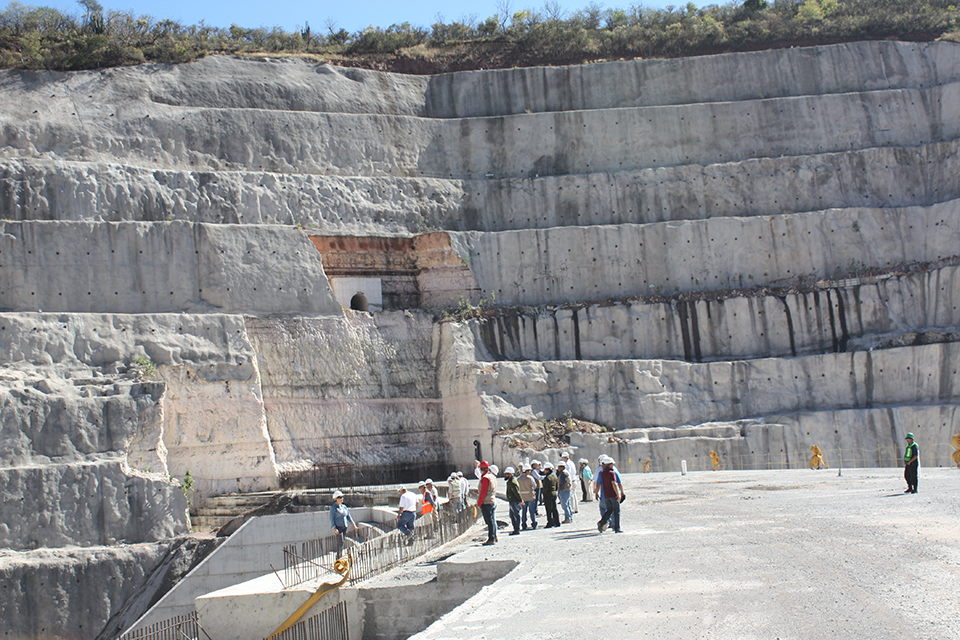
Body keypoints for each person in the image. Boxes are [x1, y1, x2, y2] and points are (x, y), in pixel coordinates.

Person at [595, 456, 624, 533]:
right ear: (610, 465)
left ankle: (602, 522)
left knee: (609, 510)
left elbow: (598, 483)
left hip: (606, 495)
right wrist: (618, 494)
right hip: (613, 495)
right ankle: (617, 528)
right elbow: (614, 484)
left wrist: (596, 492)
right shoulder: (612, 473)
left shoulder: (601, 473)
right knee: (616, 511)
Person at [476, 460, 499, 545]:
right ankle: (494, 536)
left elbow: (483, 492)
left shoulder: (485, 478)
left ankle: (491, 538)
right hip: (492, 500)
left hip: (487, 502)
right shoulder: (492, 476)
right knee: (492, 519)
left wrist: (479, 503)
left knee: (489, 521)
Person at [329, 490, 356, 558]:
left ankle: (340, 555)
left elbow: (348, 516)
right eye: (340, 497)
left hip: (344, 526)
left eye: (342, 497)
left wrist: (353, 524)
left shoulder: (344, 507)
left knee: (342, 541)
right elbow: (331, 519)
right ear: (336, 499)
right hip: (339, 527)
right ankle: (339, 557)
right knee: (340, 542)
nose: (342, 499)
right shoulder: (333, 508)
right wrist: (334, 528)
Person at [517, 464, 539, 530]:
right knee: (532, 511)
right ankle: (534, 523)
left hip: (522, 497)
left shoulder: (518, 479)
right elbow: (534, 486)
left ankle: (524, 524)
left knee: (524, 511)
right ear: (527, 471)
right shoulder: (530, 478)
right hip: (530, 496)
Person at [540, 461, 560, 528]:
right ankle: (557, 522)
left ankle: (550, 522)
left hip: (548, 495)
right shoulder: (554, 476)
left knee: (548, 510)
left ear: (548, 470)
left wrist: (543, 494)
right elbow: (557, 486)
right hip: (554, 493)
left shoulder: (547, 478)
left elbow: (545, 488)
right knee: (554, 508)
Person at [504, 467, 523, 535]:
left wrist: (520, 500)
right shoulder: (510, 481)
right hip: (512, 501)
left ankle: (517, 529)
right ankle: (515, 528)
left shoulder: (512, 482)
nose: (505, 475)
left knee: (516, 515)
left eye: (507, 474)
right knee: (512, 515)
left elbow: (517, 492)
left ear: (511, 474)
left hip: (515, 501)